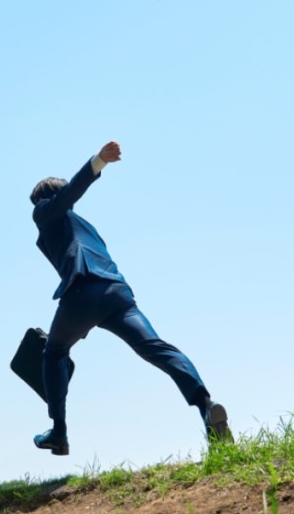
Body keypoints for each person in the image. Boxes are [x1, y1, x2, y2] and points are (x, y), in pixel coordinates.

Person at [29, 141, 232, 456]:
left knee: (53, 353)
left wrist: (98, 161)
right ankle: (206, 405)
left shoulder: (46, 214)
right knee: (156, 347)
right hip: (117, 293)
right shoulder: (86, 227)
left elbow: (67, 197)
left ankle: (59, 433)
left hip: (83, 292)